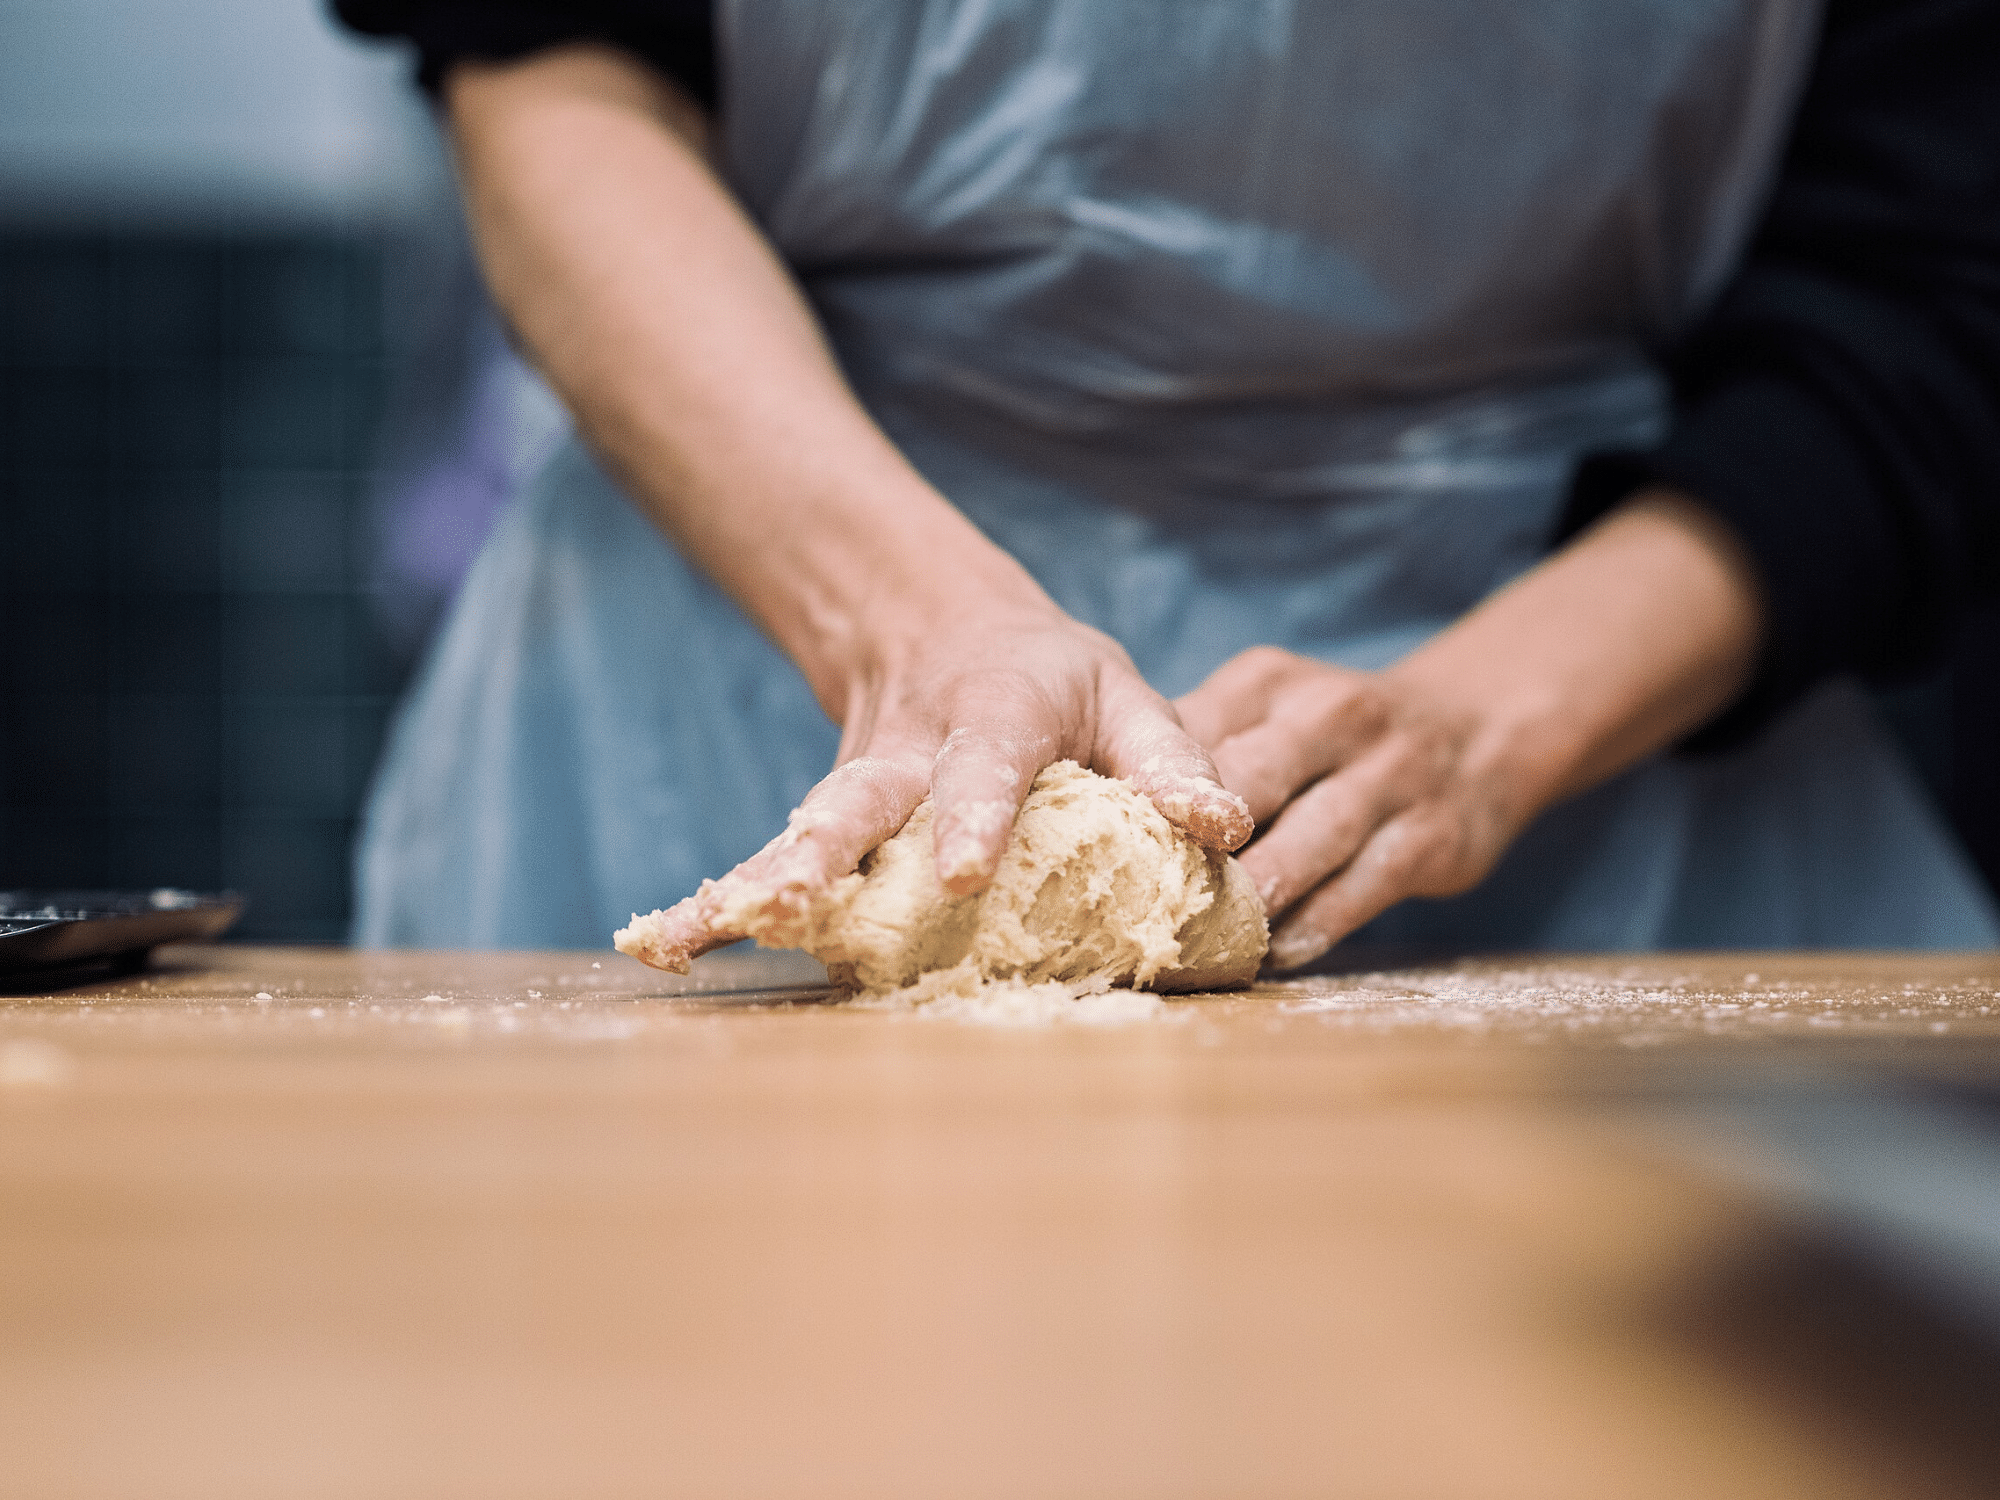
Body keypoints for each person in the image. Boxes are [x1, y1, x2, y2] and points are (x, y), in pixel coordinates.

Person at [335, 0, 2000, 960]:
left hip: (1601, 721)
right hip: (762, 613)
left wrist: (1489, 726)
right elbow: (542, 59)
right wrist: (911, 628)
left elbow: (1932, 290)